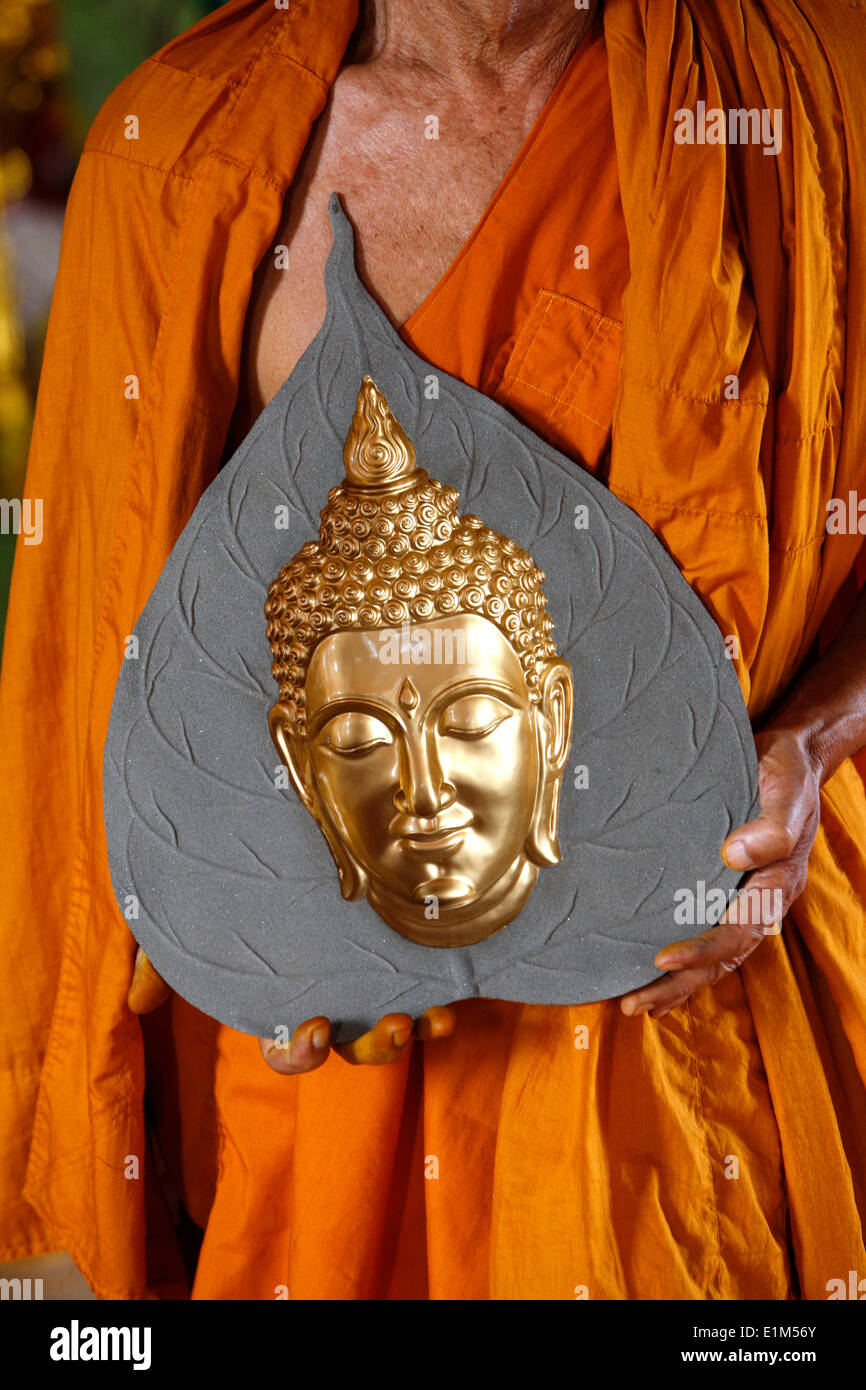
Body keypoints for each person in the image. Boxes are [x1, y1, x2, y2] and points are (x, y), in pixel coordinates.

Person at [1, 0, 865, 1299]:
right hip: (327, 1049)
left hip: (682, 1030)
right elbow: (98, 656)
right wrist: (235, 915)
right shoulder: (180, 149)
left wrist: (808, 742)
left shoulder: (802, 94)